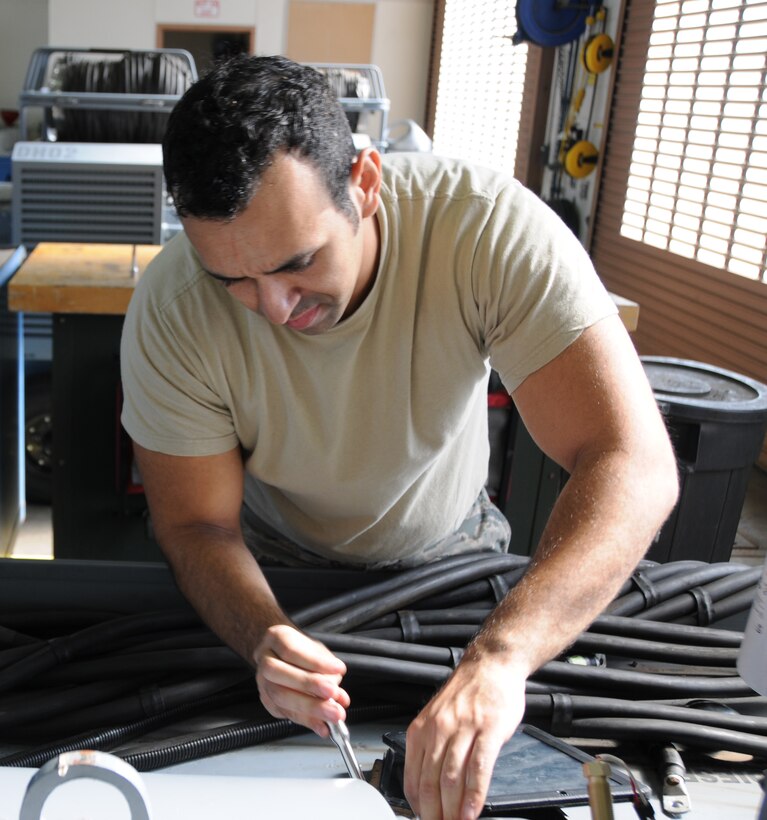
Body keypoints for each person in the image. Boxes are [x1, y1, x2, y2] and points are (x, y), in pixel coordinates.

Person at [120, 54, 678, 820]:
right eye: (236, 282)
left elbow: (632, 460)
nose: (275, 309)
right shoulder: (173, 308)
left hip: (450, 562)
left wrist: (502, 658)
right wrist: (263, 636)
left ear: (367, 185)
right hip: (274, 572)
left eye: (298, 263)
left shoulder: (481, 229)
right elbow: (195, 523)